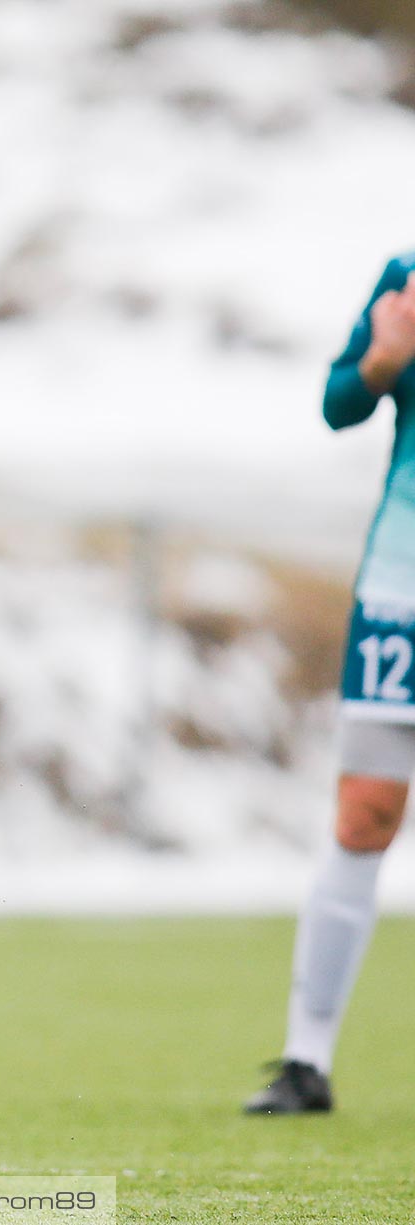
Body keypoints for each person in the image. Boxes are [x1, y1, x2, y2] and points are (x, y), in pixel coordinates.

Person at [246, 252, 415, 1114]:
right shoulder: (408, 272)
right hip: (401, 589)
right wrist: (384, 361)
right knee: (364, 812)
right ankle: (305, 1059)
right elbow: (339, 402)